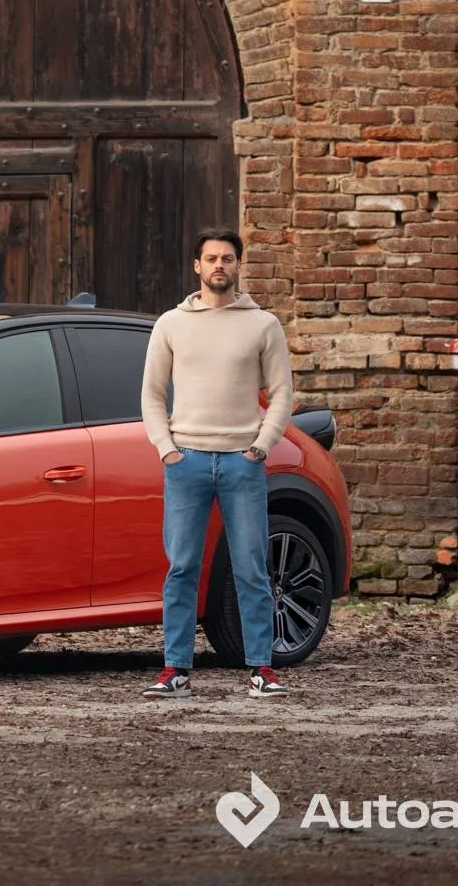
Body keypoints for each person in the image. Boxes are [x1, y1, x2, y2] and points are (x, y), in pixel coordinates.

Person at [139, 228, 294, 699]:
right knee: (181, 566)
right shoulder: (171, 324)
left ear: (238, 265)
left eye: (227, 258)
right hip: (185, 460)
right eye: (211, 258)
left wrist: (262, 446)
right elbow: (151, 393)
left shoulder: (263, 325)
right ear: (196, 266)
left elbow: (283, 392)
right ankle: (175, 670)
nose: (219, 266)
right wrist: (166, 448)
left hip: (242, 462)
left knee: (250, 567)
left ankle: (262, 670)